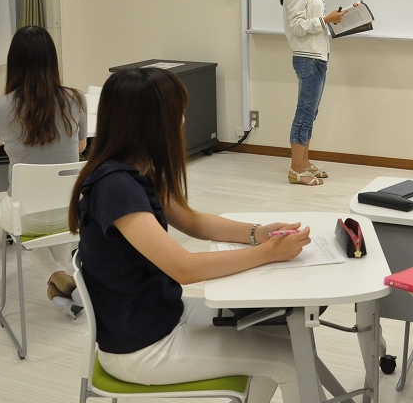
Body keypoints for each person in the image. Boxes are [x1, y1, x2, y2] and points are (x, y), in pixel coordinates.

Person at [68, 67, 308, 402]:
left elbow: (194, 222)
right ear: (150, 123)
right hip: (141, 348)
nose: (182, 121)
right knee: (293, 361)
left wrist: (258, 234)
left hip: (159, 316)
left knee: (276, 328)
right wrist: (268, 254)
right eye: (177, 113)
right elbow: (184, 268)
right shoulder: (117, 187)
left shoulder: (136, 169)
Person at [0, 25, 87, 313]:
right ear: (53, 60)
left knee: (13, 212)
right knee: (53, 214)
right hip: (71, 214)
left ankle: (55, 276)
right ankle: (64, 288)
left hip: (25, 215)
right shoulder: (76, 98)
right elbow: (80, 148)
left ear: (13, 63)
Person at [280, 0, 368, 185]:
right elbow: (296, 26)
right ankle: (296, 170)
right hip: (307, 59)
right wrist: (326, 20)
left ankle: (304, 163)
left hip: (317, 58)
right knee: (304, 114)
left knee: (310, 113)